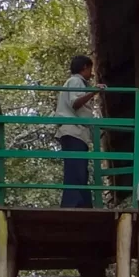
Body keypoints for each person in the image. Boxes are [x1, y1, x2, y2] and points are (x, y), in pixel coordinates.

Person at [56, 55, 103, 208]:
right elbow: (75, 103)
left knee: (79, 170)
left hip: (77, 133)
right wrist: (94, 91)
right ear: (84, 67)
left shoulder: (77, 82)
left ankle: (83, 203)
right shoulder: (76, 81)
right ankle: (73, 204)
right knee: (75, 170)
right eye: (90, 69)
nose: (91, 73)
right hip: (73, 131)